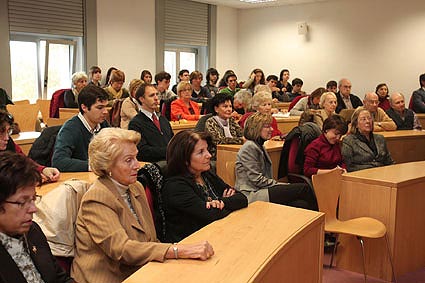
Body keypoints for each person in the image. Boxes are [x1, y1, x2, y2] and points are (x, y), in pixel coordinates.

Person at [71, 128, 214, 283]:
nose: (137, 165)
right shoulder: (97, 199)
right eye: (128, 160)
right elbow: (122, 250)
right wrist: (177, 250)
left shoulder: (135, 187)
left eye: (136, 157)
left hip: (140, 270)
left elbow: (150, 238)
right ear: (107, 166)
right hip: (110, 277)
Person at [0, 151, 73, 283]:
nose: (33, 209)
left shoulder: (32, 231)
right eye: (22, 202)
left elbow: (59, 279)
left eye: (33, 199)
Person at [162, 130, 248, 243]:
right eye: (201, 152)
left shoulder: (206, 174)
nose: (209, 155)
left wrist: (221, 202)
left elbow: (242, 198)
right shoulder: (175, 186)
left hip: (218, 232)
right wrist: (225, 203)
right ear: (184, 159)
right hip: (192, 244)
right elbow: (211, 215)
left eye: (207, 150)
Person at [235, 112, 317, 210]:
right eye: (267, 127)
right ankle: (323, 220)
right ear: (256, 128)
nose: (272, 129)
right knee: (304, 188)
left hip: (262, 189)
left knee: (301, 204)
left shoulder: (259, 145)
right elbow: (257, 180)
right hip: (252, 194)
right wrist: (280, 185)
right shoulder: (249, 147)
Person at [52, 84, 109, 172]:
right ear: (84, 107)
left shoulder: (103, 124)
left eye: (106, 106)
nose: (105, 112)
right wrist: (94, 166)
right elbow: (59, 161)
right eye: (100, 107)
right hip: (79, 179)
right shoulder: (70, 129)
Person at [0, 110, 60, 183]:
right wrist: (26, 180)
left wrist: (42, 170)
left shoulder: (10, 144)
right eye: (1, 133)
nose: (6, 138)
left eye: (8, 131)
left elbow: (24, 161)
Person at [128, 84, 174, 163]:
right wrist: (168, 150)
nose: (156, 98)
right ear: (142, 99)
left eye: (157, 94)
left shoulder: (162, 119)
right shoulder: (135, 123)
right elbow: (142, 151)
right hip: (152, 165)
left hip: (170, 162)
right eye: (152, 95)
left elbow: (172, 140)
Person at [205, 93, 243, 160]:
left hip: (234, 153)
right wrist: (241, 140)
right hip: (216, 157)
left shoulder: (231, 120)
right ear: (216, 109)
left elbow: (242, 134)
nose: (229, 109)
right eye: (225, 107)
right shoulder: (210, 122)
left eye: (230, 106)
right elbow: (218, 141)